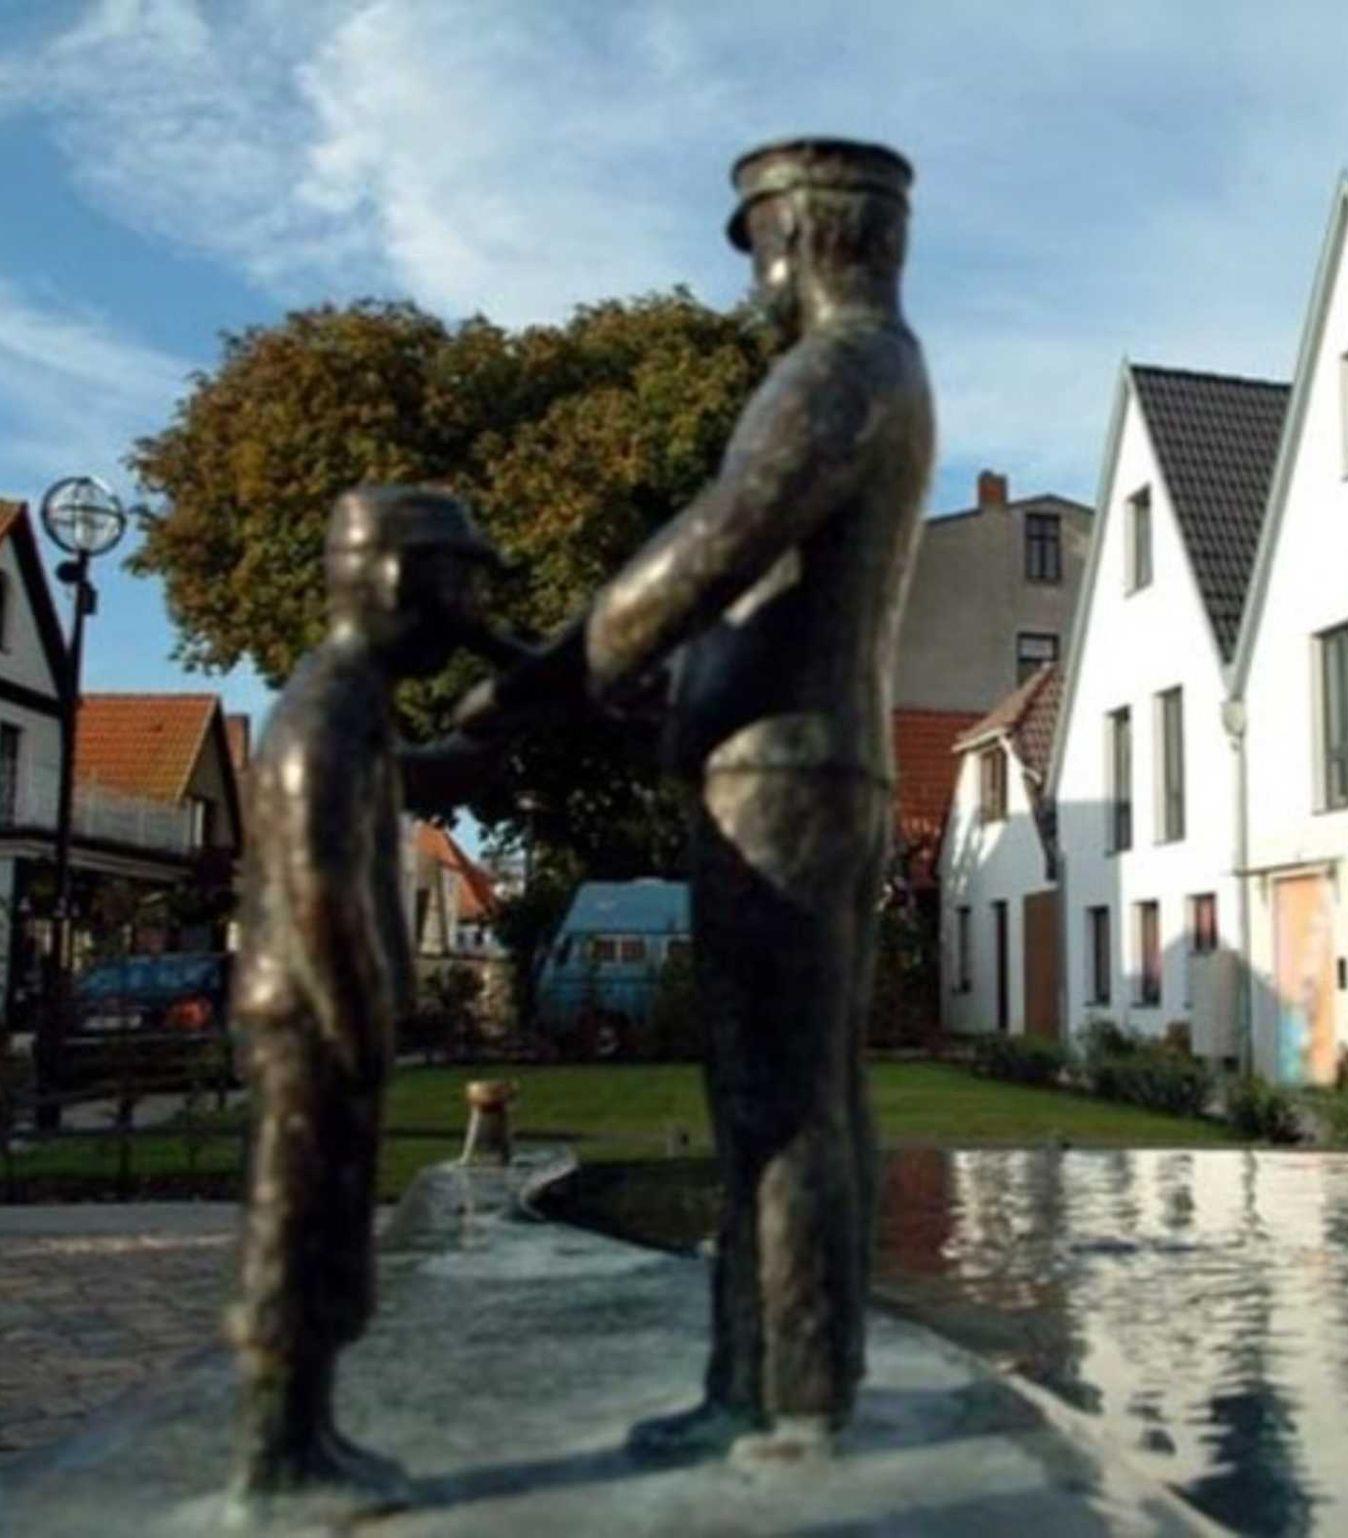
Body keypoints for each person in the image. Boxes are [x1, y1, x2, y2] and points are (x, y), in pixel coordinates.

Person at [456, 137, 933, 1455]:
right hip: (788, 757)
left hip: (786, 772)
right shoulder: (871, 369)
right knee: (782, 1088)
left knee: (778, 1092)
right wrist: (656, 692)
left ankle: (785, 1395)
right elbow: (756, 593)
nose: (755, 270)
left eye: (760, 239)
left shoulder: (839, 368)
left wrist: (545, 683)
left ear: (808, 231)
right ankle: (768, 1377)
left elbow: (714, 543)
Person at [227, 487, 505, 1505]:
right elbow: (319, 897)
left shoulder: (354, 703)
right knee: (299, 1221)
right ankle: (278, 1454)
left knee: (329, 1222)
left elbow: (404, 778)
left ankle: (307, 1433)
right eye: (458, 586)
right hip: (313, 1016)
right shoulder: (328, 710)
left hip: (323, 1013)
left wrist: (489, 743)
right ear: (395, 581)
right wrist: (363, 1027)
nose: (469, 610)